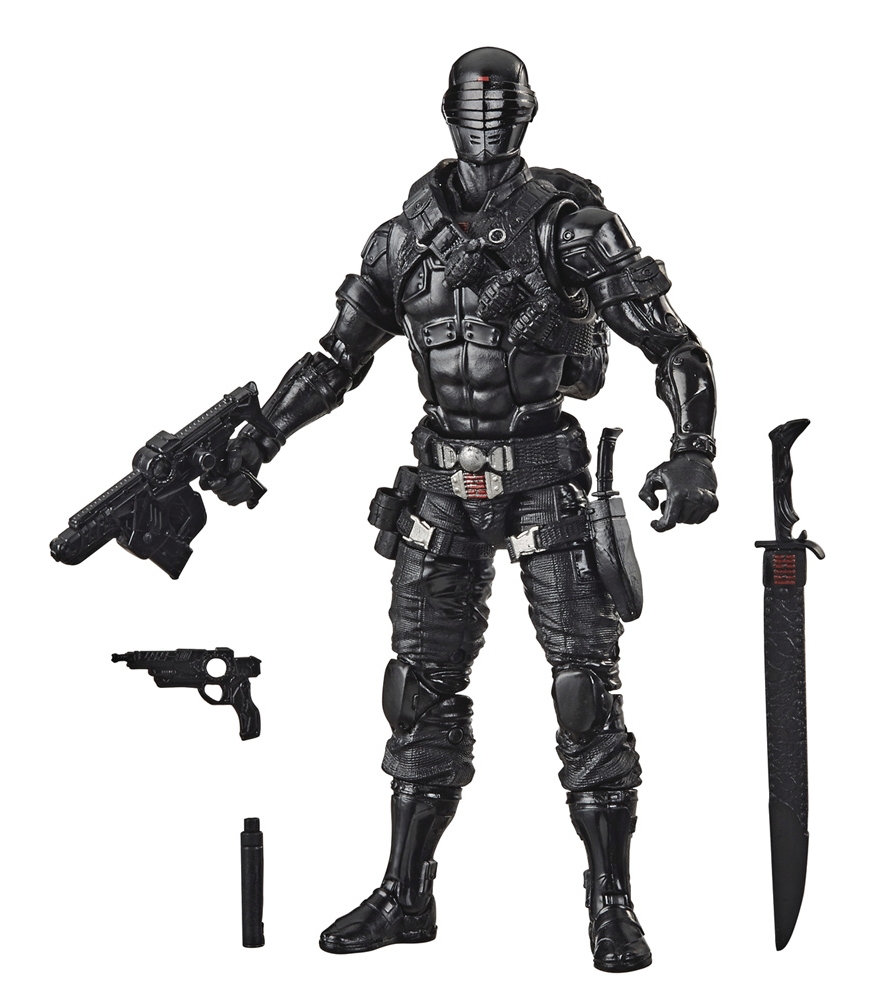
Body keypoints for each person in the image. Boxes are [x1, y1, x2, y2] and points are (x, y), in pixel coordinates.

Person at [205, 47, 718, 973]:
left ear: (527, 114)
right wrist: (263, 435)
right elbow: (336, 358)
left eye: (501, 107)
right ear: (447, 114)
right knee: (417, 690)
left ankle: (611, 902)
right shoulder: (400, 241)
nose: (487, 125)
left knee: (584, 692)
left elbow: (676, 346)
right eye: (474, 108)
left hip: (543, 478)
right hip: (441, 485)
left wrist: (693, 450)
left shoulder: (574, 230)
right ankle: (406, 894)